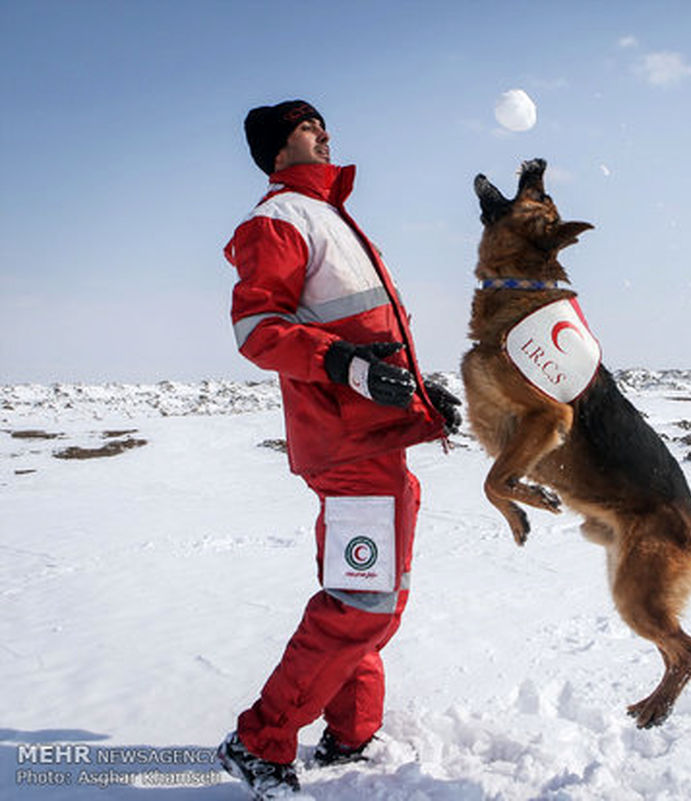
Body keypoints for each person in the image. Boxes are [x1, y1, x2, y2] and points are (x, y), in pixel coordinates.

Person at [216, 99, 461, 799]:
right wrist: (350, 367)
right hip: (345, 445)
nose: (323, 133)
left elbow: (369, 339)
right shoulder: (280, 219)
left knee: (372, 593)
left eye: (322, 124)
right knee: (365, 600)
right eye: (305, 127)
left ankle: (352, 729)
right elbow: (257, 329)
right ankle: (259, 740)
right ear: (276, 149)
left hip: (375, 441)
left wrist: (420, 394)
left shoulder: (332, 217)